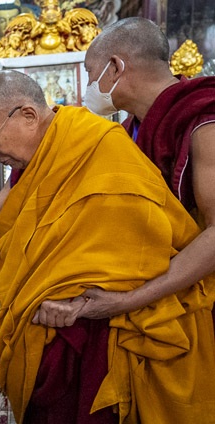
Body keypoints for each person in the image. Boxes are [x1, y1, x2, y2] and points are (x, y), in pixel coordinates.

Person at [0, 70, 215, 422]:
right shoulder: (32, 162)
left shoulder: (99, 144)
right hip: (55, 338)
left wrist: (80, 299)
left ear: (27, 115)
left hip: (111, 334)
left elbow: (141, 248)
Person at [70, 17, 215, 330]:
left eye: (90, 71)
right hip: (156, 296)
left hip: (200, 298)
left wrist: (131, 299)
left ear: (115, 67)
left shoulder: (205, 122)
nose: (89, 83)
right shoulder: (126, 132)